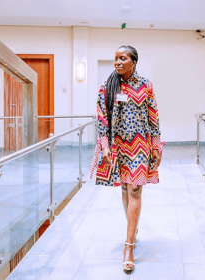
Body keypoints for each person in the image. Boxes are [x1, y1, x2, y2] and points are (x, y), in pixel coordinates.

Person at [90, 45, 164, 271]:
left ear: (134, 62)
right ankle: (133, 227)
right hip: (118, 145)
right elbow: (101, 118)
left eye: (123, 58)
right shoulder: (108, 86)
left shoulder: (145, 84)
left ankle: (129, 244)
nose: (118, 62)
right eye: (115, 59)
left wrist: (156, 145)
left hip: (140, 144)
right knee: (124, 188)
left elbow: (153, 115)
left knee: (135, 189)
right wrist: (104, 145)